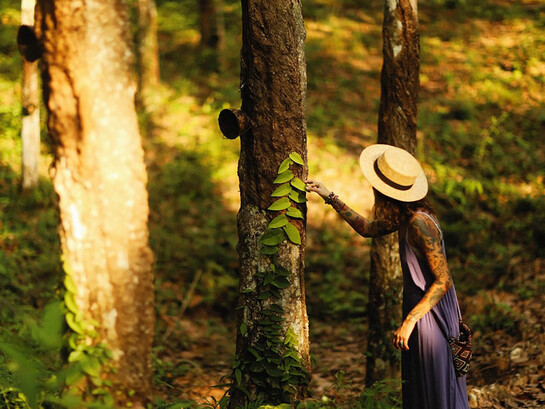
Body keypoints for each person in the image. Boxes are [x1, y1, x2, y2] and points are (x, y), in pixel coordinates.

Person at [305, 144, 469, 409]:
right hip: (418, 310)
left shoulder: (419, 223)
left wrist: (410, 321)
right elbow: (368, 229)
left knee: (436, 385)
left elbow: (443, 280)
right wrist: (330, 196)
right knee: (420, 384)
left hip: (429, 312)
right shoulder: (405, 216)